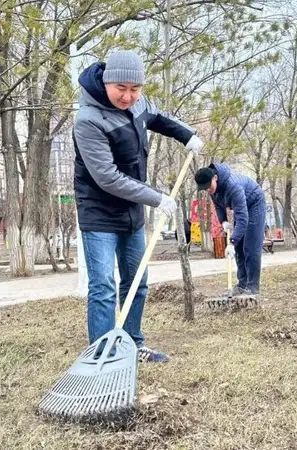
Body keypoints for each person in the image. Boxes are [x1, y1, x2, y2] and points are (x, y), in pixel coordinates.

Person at [73, 49, 203, 363]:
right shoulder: (88, 119)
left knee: (137, 282)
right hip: (99, 211)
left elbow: (156, 117)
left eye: (135, 89)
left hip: (131, 210)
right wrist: (156, 198)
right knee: (103, 285)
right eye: (121, 89)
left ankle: (132, 343)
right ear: (106, 82)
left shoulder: (138, 103)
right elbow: (106, 177)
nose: (128, 97)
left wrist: (186, 135)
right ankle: (103, 353)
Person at [194, 163, 266, 295]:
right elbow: (218, 205)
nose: (208, 190)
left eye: (208, 186)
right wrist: (224, 221)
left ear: (215, 177)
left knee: (250, 247)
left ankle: (252, 287)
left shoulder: (233, 186)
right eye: (204, 188)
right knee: (239, 249)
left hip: (254, 204)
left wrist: (231, 242)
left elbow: (243, 219)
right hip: (241, 208)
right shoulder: (212, 189)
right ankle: (242, 285)